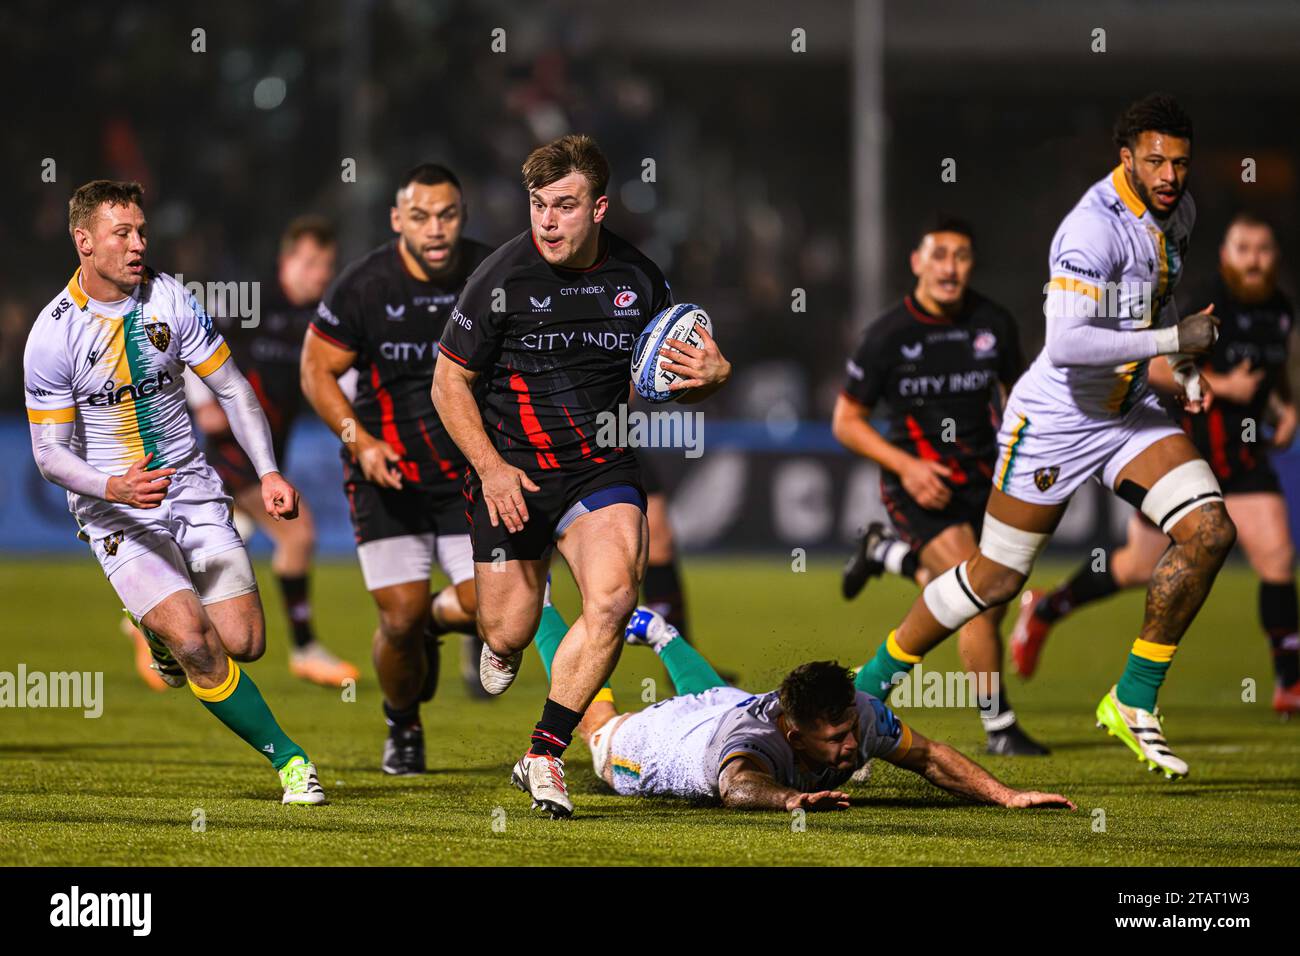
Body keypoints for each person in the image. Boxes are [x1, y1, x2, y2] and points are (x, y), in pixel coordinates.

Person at [854, 93, 1233, 780]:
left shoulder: (1182, 214)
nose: (1170, 175)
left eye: (1180, 162)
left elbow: (1156, 301)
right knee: (995, 579)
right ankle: (870, 682)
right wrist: (1174, 339)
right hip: (1057, 420)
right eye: (1155, 161)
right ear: (1127, 159)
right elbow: (1064, 343)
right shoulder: (1090, 229)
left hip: (1126, 410)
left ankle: (1133, 698)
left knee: (1209, 530)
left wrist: (1178, 367)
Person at [433, 134, 732, 818]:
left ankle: (544, 754)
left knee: (615, 595)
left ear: (598, 207)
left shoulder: (640, 281)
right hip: (509, 469)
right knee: (507, 631)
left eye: (564, 206)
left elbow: (673, 376)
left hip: (599, 466)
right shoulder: (502, 277)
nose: (546, 221)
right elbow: (450, 380)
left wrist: (715, 378)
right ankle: (466, 623)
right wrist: (491, 468)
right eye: (538, 205)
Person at [25, 179, 323, 804]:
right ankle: (291, 761)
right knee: (196, 642)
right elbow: (49, 454)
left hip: (192, 491)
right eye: (122, 233)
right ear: (84, 242)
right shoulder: (52, 336)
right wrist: (113, 485)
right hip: (116, 511)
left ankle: (156, 633)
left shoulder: (171, 300)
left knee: (244, 643)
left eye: (141, 230)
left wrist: (267, 471)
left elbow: (235, 390)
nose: (139, 244)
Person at [1012, 213, 1300, 716]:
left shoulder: (1280, 309)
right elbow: (1155, 362)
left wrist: (1287, 407)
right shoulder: (1205, 303)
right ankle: (1048, 607)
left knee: (1277, 556)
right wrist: (1226, 387)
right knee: (1137, 567)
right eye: (1243, 248)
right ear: (1225, 256)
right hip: (1184, 456)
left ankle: (1288, 683)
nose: (1254, 258)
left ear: (1274, 257)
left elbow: (1274, 373)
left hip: (1245, 460)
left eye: (1263, 249)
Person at [301, 163, 495, 775]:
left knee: (497, 617)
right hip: (387, 476)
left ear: (462, 217)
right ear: (397, 220)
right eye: (420, 217)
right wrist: (360, 443)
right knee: (398, 618)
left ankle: (436, 626)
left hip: (469, 477)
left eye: (447, 215)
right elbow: (316, 371)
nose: (435, 230)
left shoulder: (494, 274)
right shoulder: (365, 285)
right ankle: (403, 722)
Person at [833, 218, 1043, 754]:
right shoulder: (887, 336)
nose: (951, 267)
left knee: (965, 588)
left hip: (985, 482)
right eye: (940, 255)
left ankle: (888, 555)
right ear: (917, 262)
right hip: (918, 486)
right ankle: (999, 727)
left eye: (962, 256)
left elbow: (1018, 398)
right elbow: (846, 422)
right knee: (979, 595)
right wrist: (906, 467)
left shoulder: (993, 323)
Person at [571, 608, 1074, 813]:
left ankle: (661, 635)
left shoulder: (859, 714)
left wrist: (1005, 796)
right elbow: (737, 785)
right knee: (595, 729)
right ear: (793, 738)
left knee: (716, 694)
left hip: (729, 702)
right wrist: (789, 799)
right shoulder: (757, 744)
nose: (852, 747)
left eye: (849, 729)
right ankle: (545, 607)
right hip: (661, 745)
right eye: (835, 740)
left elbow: (930, 757)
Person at [172, 216, 358, 688]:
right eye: (312, 262)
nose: (320, 274)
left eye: (327, 265)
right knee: (298, 534)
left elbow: (339, 374)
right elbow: (196, 338)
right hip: (230, 450)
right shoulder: (254, 301)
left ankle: (153, 623)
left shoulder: (319, 317)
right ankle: (305, 648)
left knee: (229, 540)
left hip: (270, 454)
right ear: (287, 260)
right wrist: (202, 403)